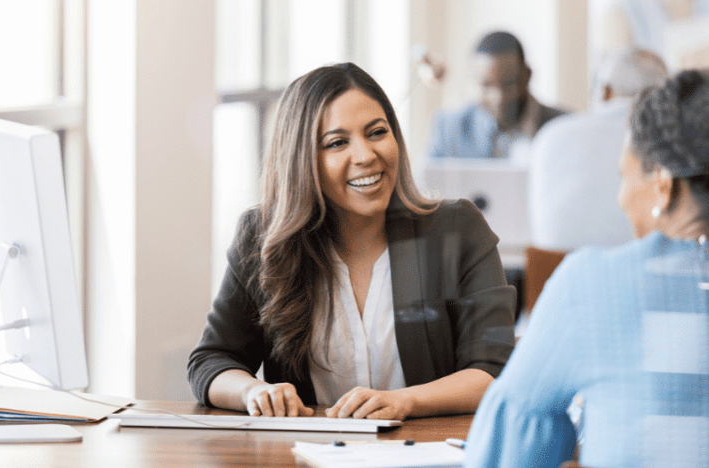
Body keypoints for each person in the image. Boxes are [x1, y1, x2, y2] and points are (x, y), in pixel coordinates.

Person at [187, 62, 516, 420]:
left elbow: (493, 371)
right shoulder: (262, 238)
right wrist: (254, 391)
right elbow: (212, 360)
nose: (365, 156)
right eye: (337, 143)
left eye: (376, 132)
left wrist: (405, 401)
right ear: (302, 159)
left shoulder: (457, 229)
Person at [464, 70, 709, 467]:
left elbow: (508, 448)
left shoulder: (595, 284)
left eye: (624, 176)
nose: (621, 197)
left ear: (663, 185)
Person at [528, 48, 669, 251]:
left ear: (605, 91)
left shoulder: (549, 135)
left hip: (548, 272)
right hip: (636, 270)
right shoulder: (667, 141)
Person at [424, 30, 566, 161]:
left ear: (527, 76)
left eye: (510, 83)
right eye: (486, 85)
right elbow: (424, 185)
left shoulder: (563, 127)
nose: (499, 98)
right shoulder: (450, 128)